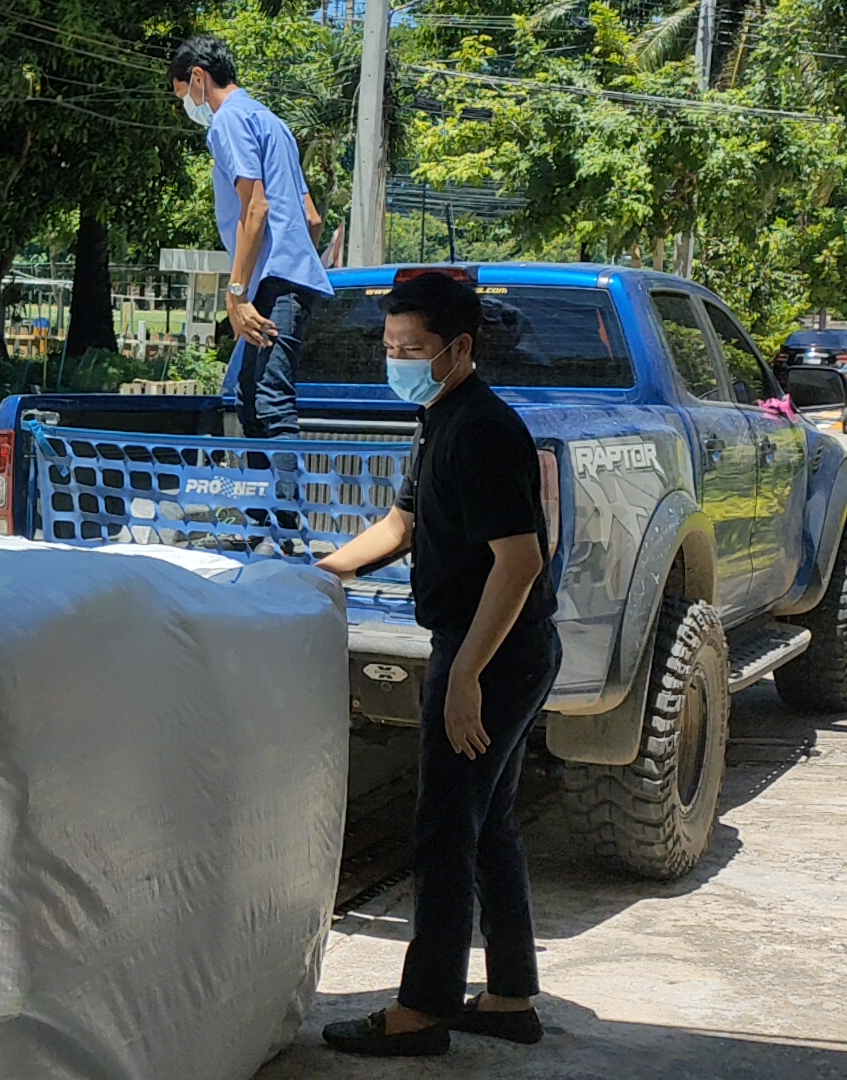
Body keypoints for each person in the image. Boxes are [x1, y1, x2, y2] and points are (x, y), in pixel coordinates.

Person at [313, 271, 561, 1057]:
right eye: (390, 347)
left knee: (445, 831)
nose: (398, 360)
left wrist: (464, 677)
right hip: (496, 649)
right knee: (487, 828)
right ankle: (510, 997)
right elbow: (402, 524)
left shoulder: (482, 429)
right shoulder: (439, 418)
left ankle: (421, 1012)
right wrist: (317, 576)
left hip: (494, 652)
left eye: (412, 348)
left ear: (458, 347)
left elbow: (519, 562)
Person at [169, 34, 333, 439]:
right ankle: (262, 484)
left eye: (183, 95)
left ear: (198, 77)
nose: (187, 106)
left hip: (268, 283)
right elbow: (312, 219)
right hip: (287, 278)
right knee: (248, 397)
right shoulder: (272, 123)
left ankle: (283, 484)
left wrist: (237, 293)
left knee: (270, 400)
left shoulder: (227, 120)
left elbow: (256, 207)